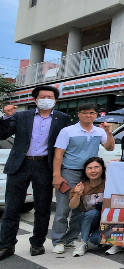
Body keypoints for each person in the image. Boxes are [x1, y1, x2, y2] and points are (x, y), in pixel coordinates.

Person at [0, 86, 72, 261]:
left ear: (55, 100)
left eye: (50, 97)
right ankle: (6, 245)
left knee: (42, 207)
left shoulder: (63, 118)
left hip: (44, 166)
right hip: (20, 164)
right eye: (42, 97)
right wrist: (6, 117)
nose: (46, 99)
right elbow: (2, 134)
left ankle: (37, 243)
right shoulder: (21, 116)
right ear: (35, 100)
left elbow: (67, 143)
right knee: (12, 208)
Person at [52, 103, 114, 255]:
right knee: (63, 208)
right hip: (70, 172)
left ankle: (72, 237)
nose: (88, 115)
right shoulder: (68, 131)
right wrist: (57, 175)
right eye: (84, 112)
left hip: (89, 173)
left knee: (79, 209)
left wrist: (108, 132)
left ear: (96, 115)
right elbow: (58, 154)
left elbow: (110, 147)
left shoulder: (99, 131)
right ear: (78, 114)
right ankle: (58, 241)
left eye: (92, 113)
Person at [68, 157, 106, 257]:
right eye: (89, 168)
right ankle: (83, 242)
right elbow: (72, 206)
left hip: (105, 221)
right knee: (93, 213)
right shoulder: (81, 186)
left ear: (102, 169)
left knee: (96, 240)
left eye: (96, 167)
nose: (93, 171)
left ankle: (97, 237)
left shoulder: (109, 183)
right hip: (87, 218)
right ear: (85, 171)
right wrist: (77, 194)